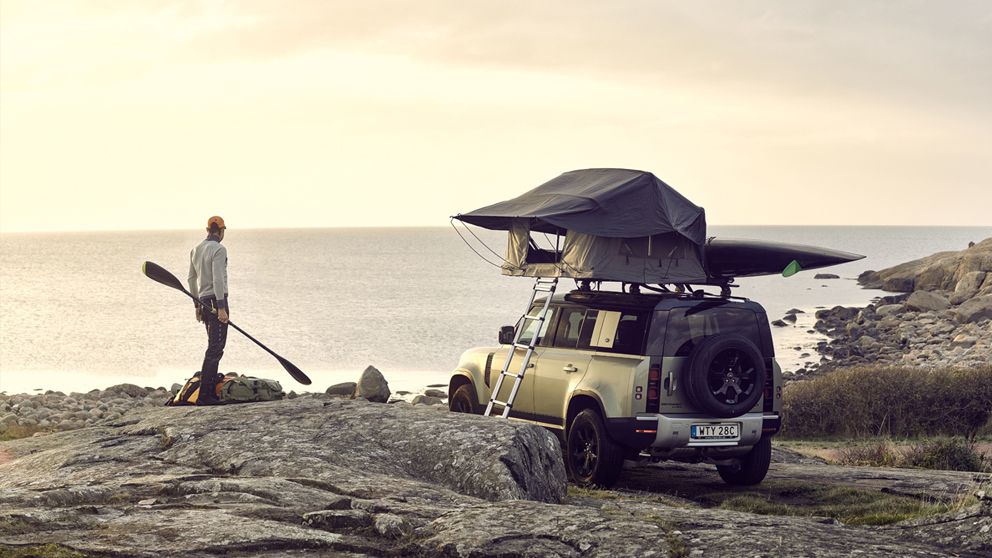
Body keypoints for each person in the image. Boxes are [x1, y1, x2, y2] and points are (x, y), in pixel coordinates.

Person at [187, 216, 229, 406]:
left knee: (213, 347)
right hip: (216, 300)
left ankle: (208, 391)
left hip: (203, 300)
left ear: (207, 230)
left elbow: (191, 279)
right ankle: (205, 396)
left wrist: (196, 305)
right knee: (215, 348)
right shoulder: (219, 249)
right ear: (221, 231)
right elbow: (218, 279)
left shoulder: (195, 250)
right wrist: (221, 307)